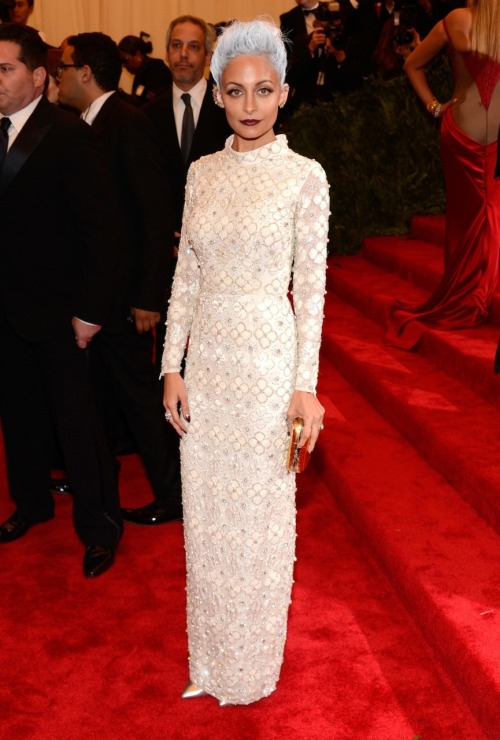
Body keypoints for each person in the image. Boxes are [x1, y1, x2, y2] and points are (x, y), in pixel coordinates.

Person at [162, 19, 329, 705]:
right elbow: (186, 279)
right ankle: (212, 662)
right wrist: (171, 365)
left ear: (285, 93)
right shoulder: (202, 172)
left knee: (257, 521)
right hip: (209, 364)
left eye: (264, 90)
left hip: (265, 358)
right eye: (236, 91)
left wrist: (304, 389)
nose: (250, 104)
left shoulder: (304, 177)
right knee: (206, 520)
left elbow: (314, 289)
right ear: (219, 93)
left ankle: (253, 671)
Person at [0, 23, 123, 577]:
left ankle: (100, 527)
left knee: (78, 426)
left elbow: (104, 232)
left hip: (62, 314)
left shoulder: (68, 135)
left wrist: (91, 311)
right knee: (19, 416)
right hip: (5, 310)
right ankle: (31, 504)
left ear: (38, 75)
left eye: (5, 69)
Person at [57, 32, 182, 525]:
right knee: (104, 397)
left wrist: (149, 295)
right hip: (100, 295)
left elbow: (154, 215)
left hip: (130, 298)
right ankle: (96, 474)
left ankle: (172, 496)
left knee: (140, 400)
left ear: (85, 72)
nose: (59, 76)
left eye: (65, 67)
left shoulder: (128, 121)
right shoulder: (85, 122)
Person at [123, 15, 231, 527]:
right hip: (165, 269)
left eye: (194, 46)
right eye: (176, 46)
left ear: (207, 54)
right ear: (165, 52)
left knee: (218, 371)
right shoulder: (143, 114)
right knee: (174, 373)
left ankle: (217, 477)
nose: (184, 54)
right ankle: (177, 487)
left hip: (226, 269)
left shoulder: (232, 106)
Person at [386, 0, 500, 349]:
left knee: (469, 222)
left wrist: (435, 107)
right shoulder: (459, 21)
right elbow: (412, 65)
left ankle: (475, 294)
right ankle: (479, 294)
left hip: (464, 131)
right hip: (475, 139)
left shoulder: (456, 20)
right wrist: (435, 106)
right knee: (485, 218)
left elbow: (412, 64)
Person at [118, 32, 172, 104]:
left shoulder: (157, 68)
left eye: (125, 60)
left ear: (138, 54)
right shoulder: (141, 73)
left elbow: (157, 99)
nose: (124, 66)